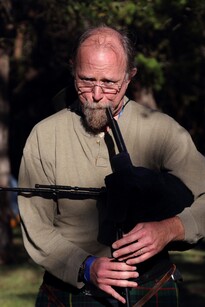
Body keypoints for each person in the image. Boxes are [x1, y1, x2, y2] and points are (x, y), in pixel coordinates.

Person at [18, 25, 205, 306]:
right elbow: (36, 226)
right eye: (85, 80)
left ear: (130, 77)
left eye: (109, 83)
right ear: (73, 69)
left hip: (151, 289)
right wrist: (85, 266)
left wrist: (171, 229)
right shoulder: (44, 136)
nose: (96, 94)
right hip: (68, 293)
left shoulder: (163, 131)